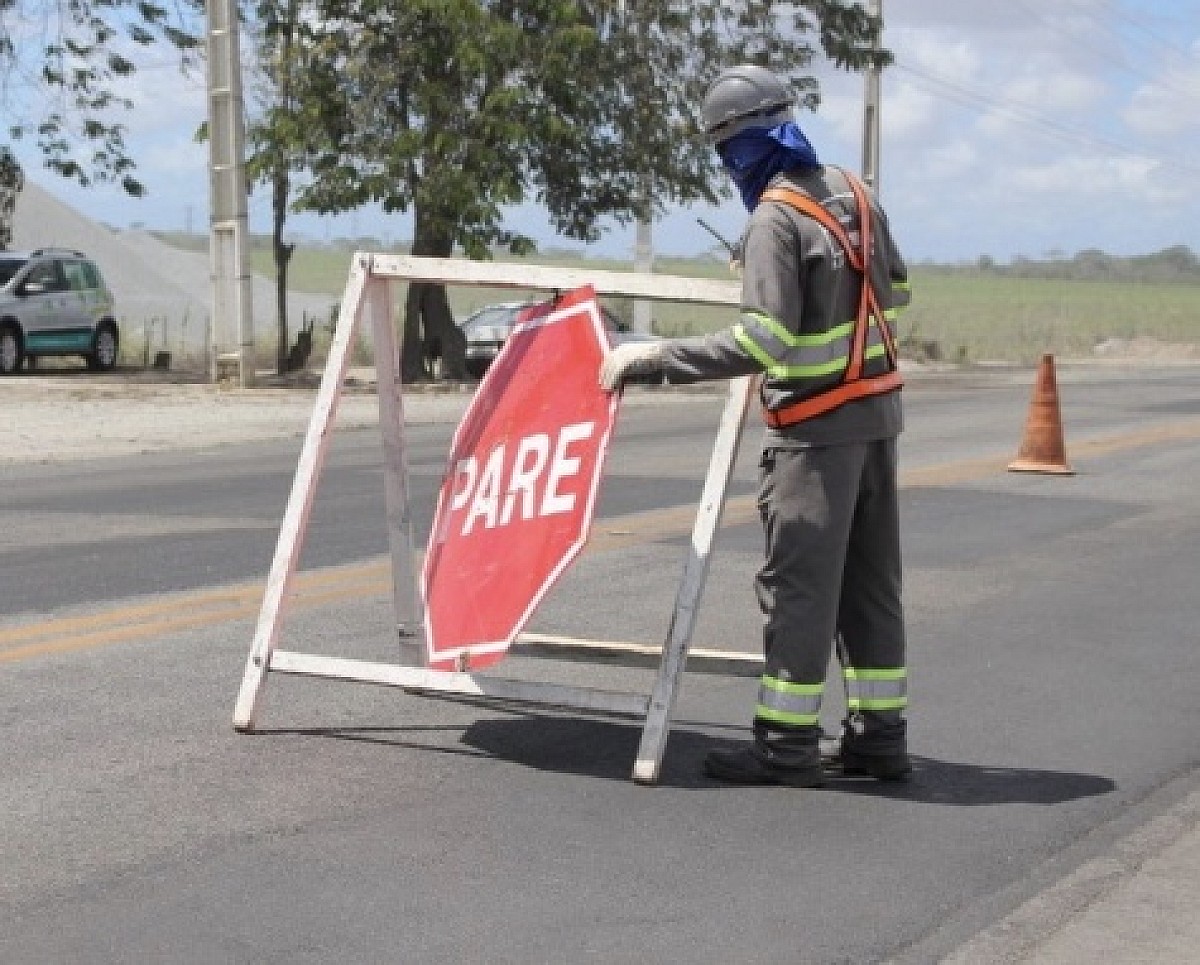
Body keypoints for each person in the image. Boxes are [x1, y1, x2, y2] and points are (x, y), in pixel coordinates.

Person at [600, 64, 912, 787]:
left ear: (738, 146)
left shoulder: (774, 216)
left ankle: (786, 745)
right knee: (870, 585)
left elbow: (762, 342)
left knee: (800, 587)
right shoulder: (855, 192)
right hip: (878, 421)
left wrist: (652, 359)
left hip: (814, 431)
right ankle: (879, 738)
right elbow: (896, 290)